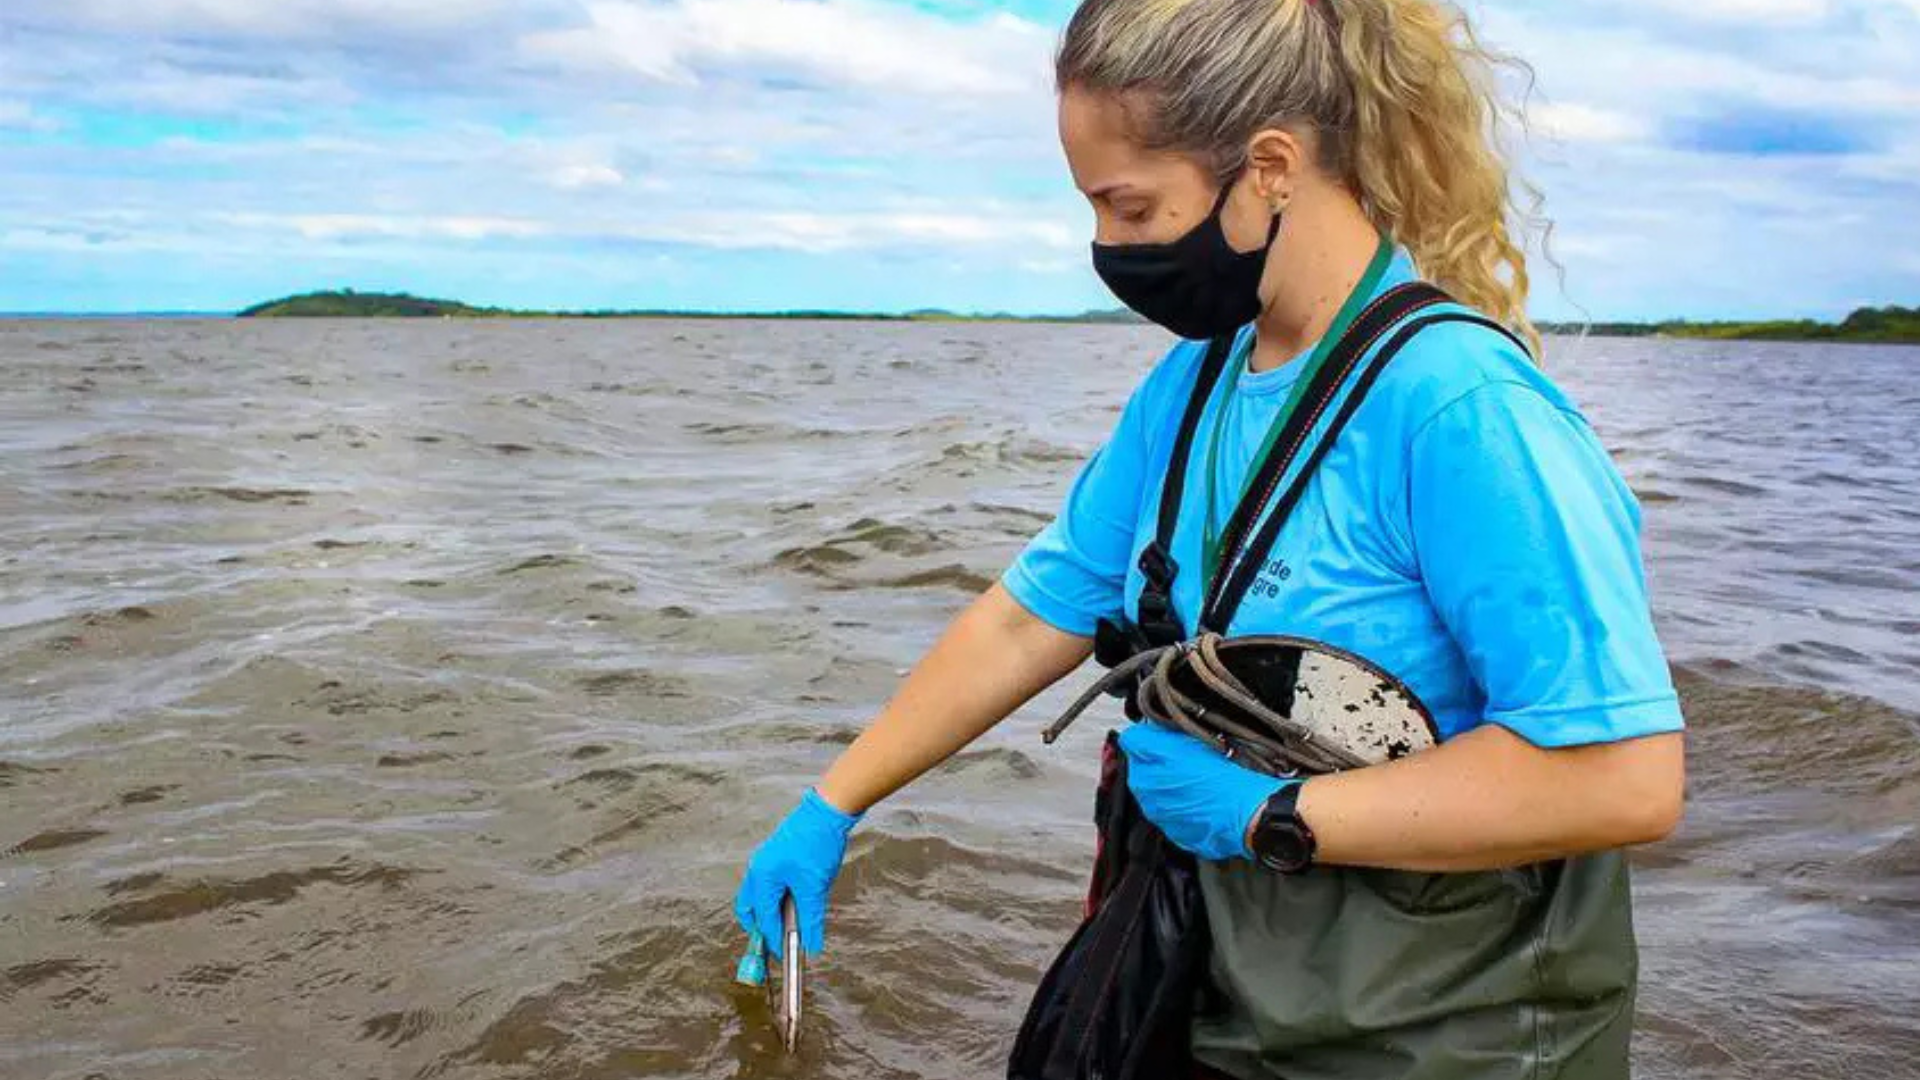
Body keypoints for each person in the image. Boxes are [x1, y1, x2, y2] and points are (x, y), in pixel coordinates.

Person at [734, 0, 1688, 1075]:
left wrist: (1275, 814)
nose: (1108, 247)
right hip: (1235, 991)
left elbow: (1622, 779)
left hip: (1446, 1034)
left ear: (1271, 166)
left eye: (1129, 207)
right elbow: (1024, 620)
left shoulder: (1460, 409)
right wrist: (833, 802)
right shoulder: (1190, 389)